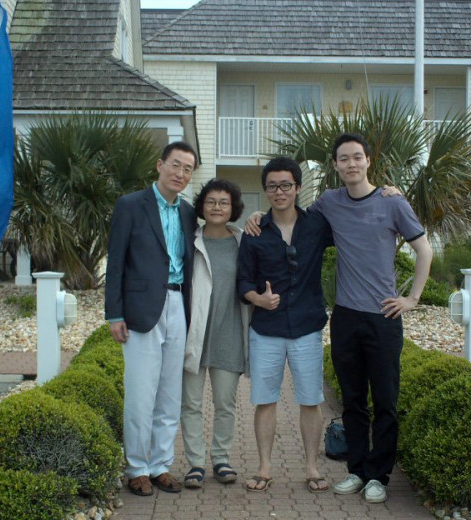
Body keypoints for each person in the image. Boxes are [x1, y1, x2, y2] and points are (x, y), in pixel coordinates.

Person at [244, 133, 432, 503]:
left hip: (383, 316)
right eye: (344, 159)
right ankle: (357, 470)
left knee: (386, 399)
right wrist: (257, 216)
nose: (351, 164)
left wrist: (412, 298)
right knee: (353, 400)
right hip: (345, 316)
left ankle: (380, 475)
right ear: (335, 165)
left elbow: (424, 250)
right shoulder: (330, 202)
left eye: (357, 157)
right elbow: (290, 217)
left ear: (367, 161)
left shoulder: (393, 203)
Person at [104, 141, 199, 497]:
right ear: (160, 165)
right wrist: (114, 313)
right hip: (142, 309)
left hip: (179, 306)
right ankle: (137, 468)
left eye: (188, 168)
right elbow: (116, 263)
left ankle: (160, 464)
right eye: (176, 165)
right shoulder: (130, 205)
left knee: (170, 395)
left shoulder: (189, 212)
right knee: (141, 393)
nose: (181, 173)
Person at [237, 156, 334, 494]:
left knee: (311, 400)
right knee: (265, 400)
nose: (279, 191)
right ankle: (264, 467)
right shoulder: (254, 231)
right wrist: (257, 299)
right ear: (265, 190)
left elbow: (357, 218)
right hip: (266, 329)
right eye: (273, 186)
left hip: (307, 326)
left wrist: (389, 194)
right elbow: (243, 281)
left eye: (286, 185)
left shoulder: (318, 225)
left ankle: (311, 467)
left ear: (297, 188)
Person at [180, 179, 251, 489]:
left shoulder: (244, 241)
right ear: (202, 206)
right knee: (191, 404)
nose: (217, 207)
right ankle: (195, 463)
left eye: (224, 202)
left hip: (230, 333)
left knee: (225, 404)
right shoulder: (189, 241)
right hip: (194, 333)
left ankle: (220, 459)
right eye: (211, 201)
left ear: (233, 208)